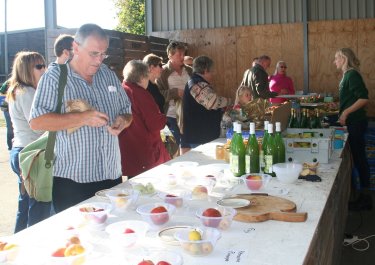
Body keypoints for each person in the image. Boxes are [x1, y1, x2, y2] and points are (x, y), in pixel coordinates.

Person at [30, 24, 133, 213]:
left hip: (111, 177)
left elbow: (127, 110)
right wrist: (82, 118)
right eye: (93, 53)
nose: (99, 60)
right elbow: (37, 121)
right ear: (75, 48)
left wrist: (123, 121)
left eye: (103, 54)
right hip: (73, 183)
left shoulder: (108, 76)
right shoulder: (55, 77)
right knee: (78, 240)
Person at [6, 51, 51, 232]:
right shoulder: (28, 92)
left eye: (44, 65)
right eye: (39, 66)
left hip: (21, 152)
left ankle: (17, 247)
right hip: (31, 154)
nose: (44, 69)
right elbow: (39, 125)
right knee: (38, 206)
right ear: (26, 70)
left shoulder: (18, 90)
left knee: (25, 205)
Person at [334, 48, 371, 211]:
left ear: (343, 58)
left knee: (360, 159)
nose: (334, 61)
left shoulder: (352, 75)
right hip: (352, 122)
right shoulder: (346, 76)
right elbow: (351, 98)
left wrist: (346, 112)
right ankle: (359, 192)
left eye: (336, 58)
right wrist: (340, 107)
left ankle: (366, 197)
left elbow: (363, 98)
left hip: (356, 122)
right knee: (357, 158)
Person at [119, 60, 170, 177]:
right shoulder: (140, 93)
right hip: (144, 150)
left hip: (127, 148)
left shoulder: (121, 89)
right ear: (142, 77)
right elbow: (155, 124)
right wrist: (163, 118)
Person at [182, 56, 231, 153]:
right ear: (205, 70)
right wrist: (230, 101)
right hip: (199, 137)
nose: (213, 74)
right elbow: (212, 102)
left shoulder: (198, 82)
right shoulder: (196, 83)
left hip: (201, 135)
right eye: (211, 71)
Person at [156, 41, 192, 149]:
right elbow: (158, 95)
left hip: (188, 114)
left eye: (183, 54)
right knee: (174, 146)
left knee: (188, 144)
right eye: (179, 54)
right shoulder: (162, 72)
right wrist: (175, 93)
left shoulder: (189, 70)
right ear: (170, 55)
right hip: (170, 115)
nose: (182, 57)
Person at [0, 80, 14, 150]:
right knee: (10, 127)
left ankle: (11, 146)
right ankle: (10, 147)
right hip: (7, 108)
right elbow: (1, 92)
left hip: (8, 108)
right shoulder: (8, 83)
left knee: (10, 127)